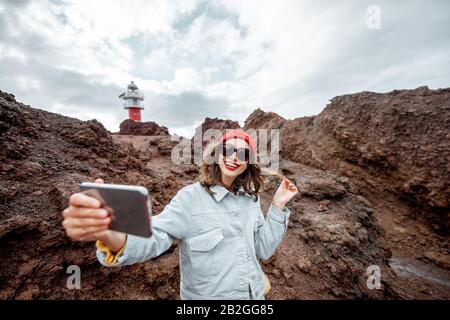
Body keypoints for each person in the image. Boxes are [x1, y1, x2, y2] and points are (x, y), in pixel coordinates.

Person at [62, 129, 298, 300]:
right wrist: (113, 235)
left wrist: (277, 206)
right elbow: (157, 236)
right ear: (217, 154)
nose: (234, 157)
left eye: (244, 154)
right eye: (228, 149)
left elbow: (263, 249)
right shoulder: (190, 198)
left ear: (248, 164)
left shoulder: (251, 200)